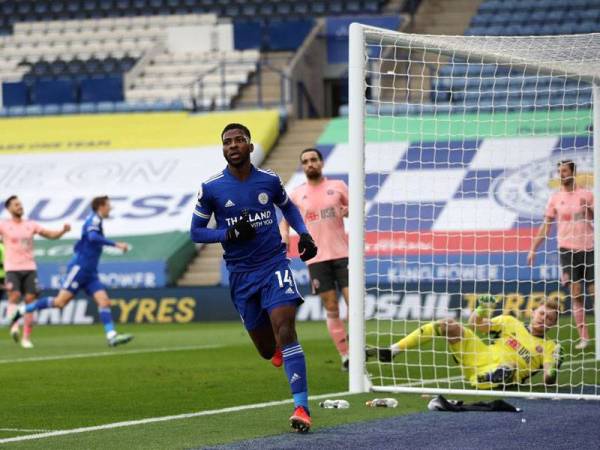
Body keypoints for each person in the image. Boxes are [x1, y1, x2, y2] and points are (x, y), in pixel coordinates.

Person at [190, 123, 318, 433]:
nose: (232, 145)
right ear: (223, 149)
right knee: (265, 349)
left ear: (250, 146)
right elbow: (196, 231)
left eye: (238, 140)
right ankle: (274, 350)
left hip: (274, 264)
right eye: (227, 142)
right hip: (240, 274)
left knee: (286, 328)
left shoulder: (270, 180)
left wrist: (304, 233)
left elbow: (289, 208)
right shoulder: (211, 188)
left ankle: (301, 406)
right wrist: (229, 233)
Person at [9, 196, 133, 347]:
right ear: (101, 206)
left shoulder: (97, 220)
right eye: (108, 205)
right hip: (79, 269)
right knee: (60, 302)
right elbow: (93, 237)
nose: (110, 208)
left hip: (90, 273)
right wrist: (115, 244)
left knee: (104, 301)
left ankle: (111, 336)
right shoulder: (94, 219)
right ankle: (23, 309)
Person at [368, 296, 563, 390]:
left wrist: (553, 369)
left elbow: (548, 380)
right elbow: (475, 325)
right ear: (534, 312)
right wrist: (481, 309)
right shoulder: (510, 322)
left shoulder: (550, 347)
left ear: (553, 324)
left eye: (549, 318)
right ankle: (392, 350)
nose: (543, 319)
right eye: (542, 313)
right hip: (479, 354)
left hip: (499, 372)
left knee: (508, 367)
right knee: (447, 325)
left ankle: (480, 380)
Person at [280, 148, 350, 370]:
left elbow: (355, 210)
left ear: (321, 162)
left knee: (354, 304)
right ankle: (346, 355)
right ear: (302, 166)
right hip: (316, 258)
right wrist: (284, 236)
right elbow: (286, 218)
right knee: (331, 306)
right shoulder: (297, 194)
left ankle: (359, 349)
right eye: (305, 161)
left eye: (313, 160)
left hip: (343, 254)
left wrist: (347, 210)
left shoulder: (338, 187)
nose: (310, 164)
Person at [528, 160, 593, 350]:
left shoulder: (587, 195)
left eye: (564, 171)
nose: (561, 174)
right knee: (576, 294)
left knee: (595, 293)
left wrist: (588, 208)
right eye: (559, 171)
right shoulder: (555, 198)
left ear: (573, 172)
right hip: (567, 250)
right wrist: (533, 248)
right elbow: (546, 227)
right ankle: (584, 338)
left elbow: (594, 217)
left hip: (589, 249)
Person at [0, 195, 71, 348]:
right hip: (12, 268)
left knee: (30, 301)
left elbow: (50, 235)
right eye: (16, 205)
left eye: (20, 204)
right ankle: (14, 327)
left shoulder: (30, 225)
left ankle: (26, 338)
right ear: (9, 209)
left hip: (30, 267)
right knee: (14, 296)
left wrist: (62, 231)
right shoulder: (3, 225)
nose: (19, 207)